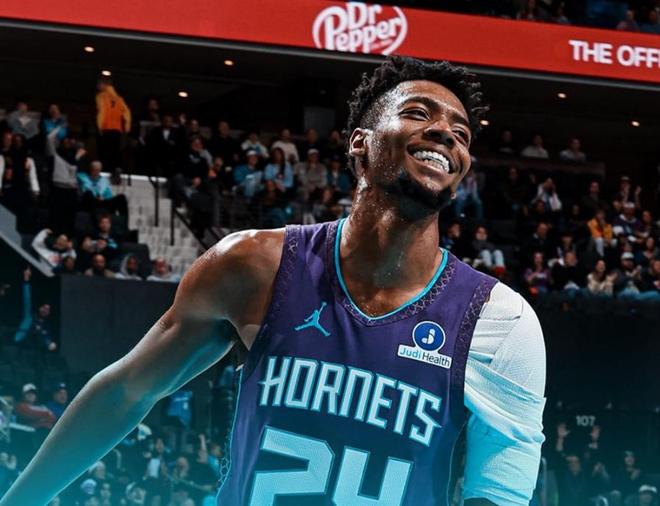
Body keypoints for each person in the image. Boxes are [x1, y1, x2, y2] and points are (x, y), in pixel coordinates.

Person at [0, 56, 546, 506]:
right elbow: (126, 391)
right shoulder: (253, 265)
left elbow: (498, 497)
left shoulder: (500, 321)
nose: (445, 134)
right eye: (418, 113)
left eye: (461, 133)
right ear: (360, 142)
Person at [96, 77, 131, 176]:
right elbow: (127, 112)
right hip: (117, 130)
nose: (98, 86)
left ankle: (105, 171)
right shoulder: (119, 98)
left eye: (99, 84)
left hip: (106, 129)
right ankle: (116, 169)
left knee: (105, 152)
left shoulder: (101, 96)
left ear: (105, 85)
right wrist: (127, 126)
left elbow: (101, 111)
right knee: (115, 151)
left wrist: (99, 126)